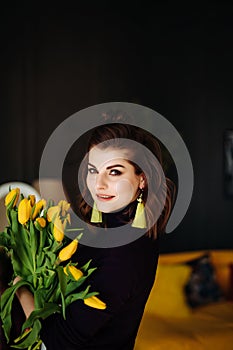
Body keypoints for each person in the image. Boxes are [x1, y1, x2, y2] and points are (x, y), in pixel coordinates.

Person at [2, 113, 176, 350]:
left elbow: (58, 342)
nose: (98, 184)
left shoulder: (125, 253)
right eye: (93, 170)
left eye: (114, 172)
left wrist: (19, 284)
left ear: (142, 178)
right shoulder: (117, 231)